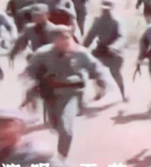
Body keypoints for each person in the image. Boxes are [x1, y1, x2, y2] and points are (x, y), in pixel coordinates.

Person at [24, 26, 115, 158]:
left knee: (66, 131)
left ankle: (61, 159)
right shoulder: (42, 53)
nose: (65, 41)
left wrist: (103, 81)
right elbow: (29, 72)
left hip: (71, 95)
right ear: (54, 40)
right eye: (60, 38)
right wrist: (31, 89)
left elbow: (98, 68)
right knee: (55, 126)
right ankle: (59, 135)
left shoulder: (81, 53)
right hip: (50, 95)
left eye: (67, 37)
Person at [82, 0, 127, 101]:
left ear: (112, 9)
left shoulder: (116, 21)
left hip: (115, 52)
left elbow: (122, 37)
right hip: (101, 48)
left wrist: (114, 47)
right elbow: (91, 35)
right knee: (93, 68)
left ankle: (123, 94)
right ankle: (101, 90)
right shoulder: (98, 21)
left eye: (107, 9)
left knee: (115, 73)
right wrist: (82, 47)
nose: (105, 11)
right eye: (103, 9)